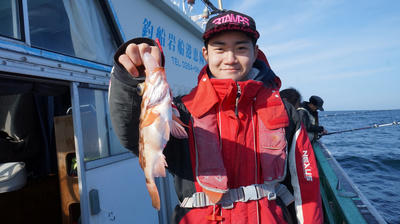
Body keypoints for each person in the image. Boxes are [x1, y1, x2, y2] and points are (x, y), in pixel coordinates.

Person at [108, 10, 323, 224]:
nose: (230, 58)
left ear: (255, 52)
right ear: (205, 54)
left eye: (240, 48)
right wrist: (130, 81)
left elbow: (307, 184)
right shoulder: (181, 111)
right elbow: (132, 134)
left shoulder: (284, 112)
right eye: (219, 49)